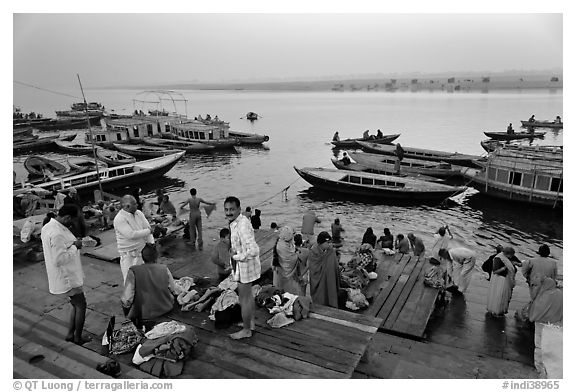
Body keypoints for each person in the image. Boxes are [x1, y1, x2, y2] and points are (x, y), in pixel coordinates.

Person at [41, 205, 90, 345]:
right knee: (81, 305)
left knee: (76, 305)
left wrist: (72, 243)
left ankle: (70, 334)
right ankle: (78, 337)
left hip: (66, 275)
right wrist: (75, 246)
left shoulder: (48, 227)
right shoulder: (56, 233)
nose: (72, 224)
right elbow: (59, 259)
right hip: (67, 277)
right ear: (67, 217)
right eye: (71, 221)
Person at [225, 196, 261, 340]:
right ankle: (250, 323)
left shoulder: (242, 225)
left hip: (244, 266)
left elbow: (254, 250)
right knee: (248, 296)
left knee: (244, 298)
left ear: (239, 209)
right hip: (245, 265)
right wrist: (233, 252)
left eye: (232, 209)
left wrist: (236, 257)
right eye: (226, 209)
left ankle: (246, 330)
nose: (229, 212)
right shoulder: (237, 222)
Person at [121, 243, 178, 330]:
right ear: (156, 257)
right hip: (166, 307)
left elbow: (127, 299)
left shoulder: (133, 271)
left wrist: (127, 310)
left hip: (143, 313)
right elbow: (174, 289)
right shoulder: (164, 268)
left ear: (142, 257)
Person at [113, 195, 155, 283]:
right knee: (130, 281)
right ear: (127, 206)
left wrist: (151, 243)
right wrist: (149, 231)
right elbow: (131, 235)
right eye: (135, 204)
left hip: (142, 252)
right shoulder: (119, 219)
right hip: (128, 255)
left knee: (146, 280)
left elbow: (146, 226)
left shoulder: (139, 213)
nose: (137, 205)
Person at [308, 232, 340, 308]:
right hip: (318, 279)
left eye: (330, 242)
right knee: (320, 296)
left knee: (330, 290)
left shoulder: (331, 251)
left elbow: (335, 266)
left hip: (329, 278)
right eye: (327, 243)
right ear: (320, 243)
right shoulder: (313, 252)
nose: (329, 245)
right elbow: (313, 268)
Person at [486, 247, 517, 316]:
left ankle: (501, 310)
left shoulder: (505, 258)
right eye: (511, 255)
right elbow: (495, 271)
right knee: (499, 295)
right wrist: (504, 268)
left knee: (503, 296)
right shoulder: (498, 258)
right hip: (500, 280)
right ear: (508, 254)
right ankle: (496, 310)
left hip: (504, 279)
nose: (512, 257)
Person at [273, 226, 304, 295]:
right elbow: (291, 259)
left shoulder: (281, 243)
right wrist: (298, 254)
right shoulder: (282, 246)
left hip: (280, 272)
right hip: (286, 275)